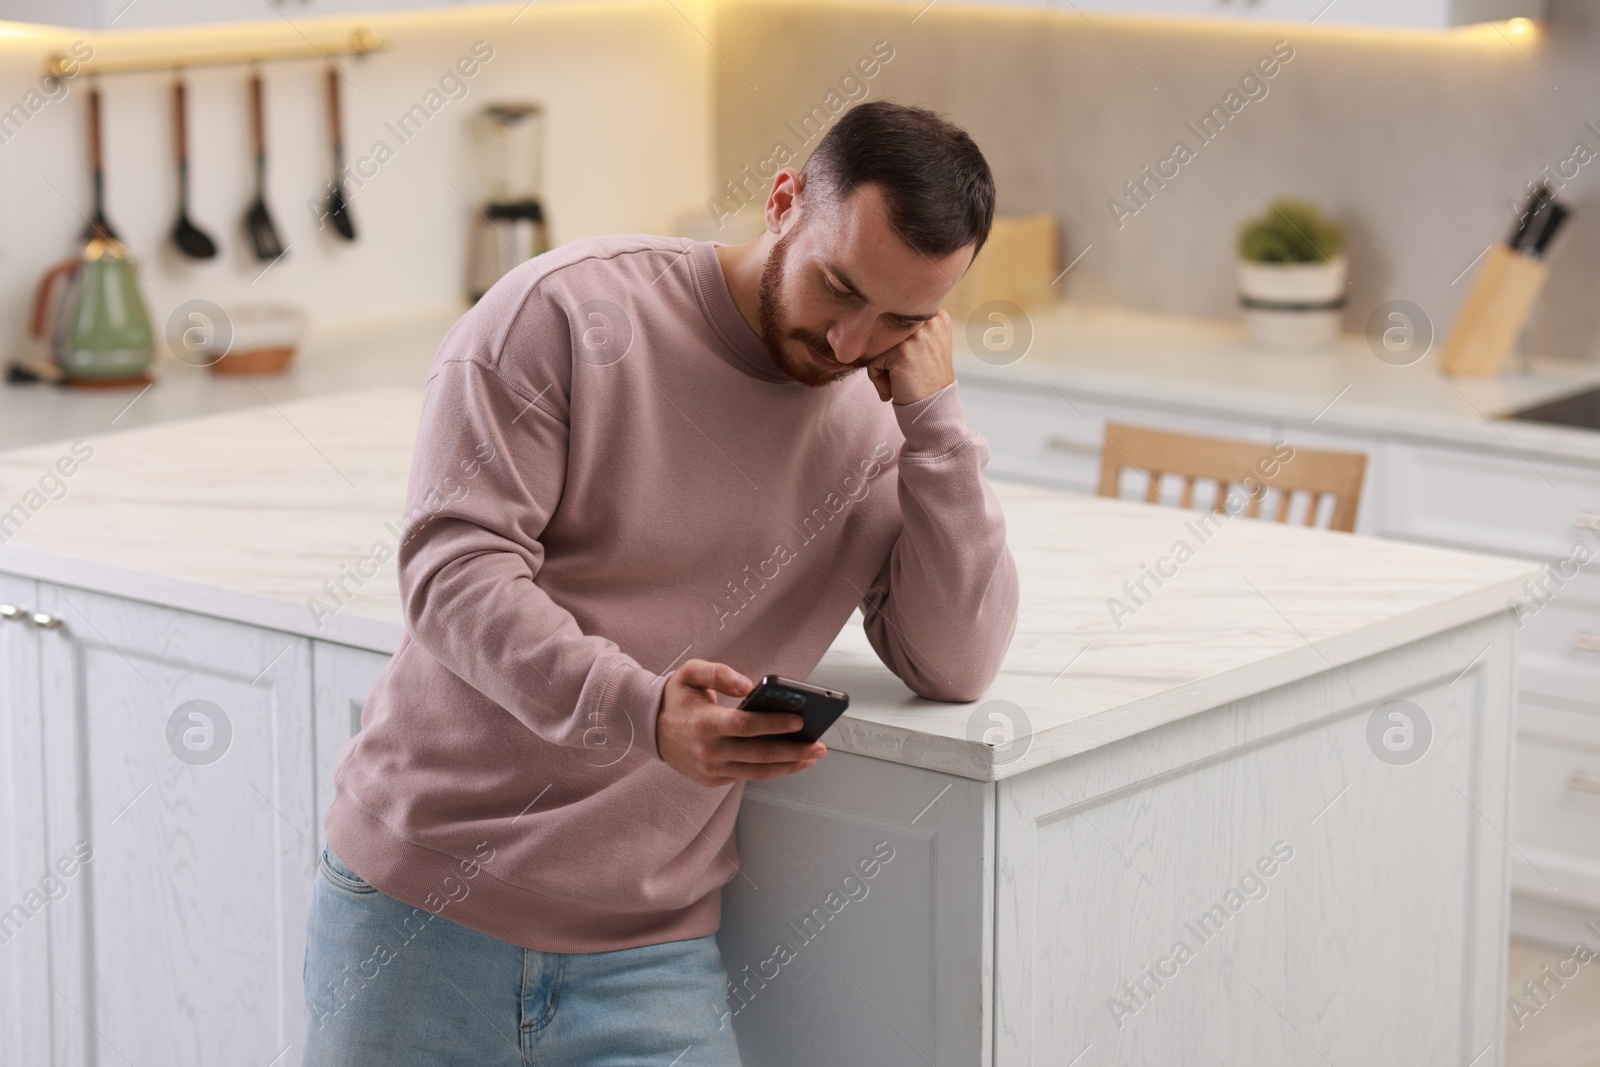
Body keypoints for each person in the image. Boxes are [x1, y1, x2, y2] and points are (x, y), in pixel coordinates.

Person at [301, 99, 1019, 1066]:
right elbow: (451, 571)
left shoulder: (889, 419)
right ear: (783, 202)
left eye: (903, 319)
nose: (851, 345)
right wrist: (640, 710)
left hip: (648, 957)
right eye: (837, 288)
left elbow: (956, 660)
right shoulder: (565, 309)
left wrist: (934, 421)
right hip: (418, 914)